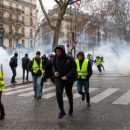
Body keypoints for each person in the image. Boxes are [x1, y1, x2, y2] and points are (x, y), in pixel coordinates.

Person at [53, 45, 77, 119]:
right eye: (56, 51)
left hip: (68, 79)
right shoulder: (54, 57)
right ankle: (62, 110)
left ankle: (71, 106)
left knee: (68, 93)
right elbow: (53, 66)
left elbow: (74, 68)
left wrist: (67, 76)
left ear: (63, 51)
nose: (58, 53)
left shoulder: (69, 57)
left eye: (59, 51)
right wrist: (54, 72)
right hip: (59, 78)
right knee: (58, 93)